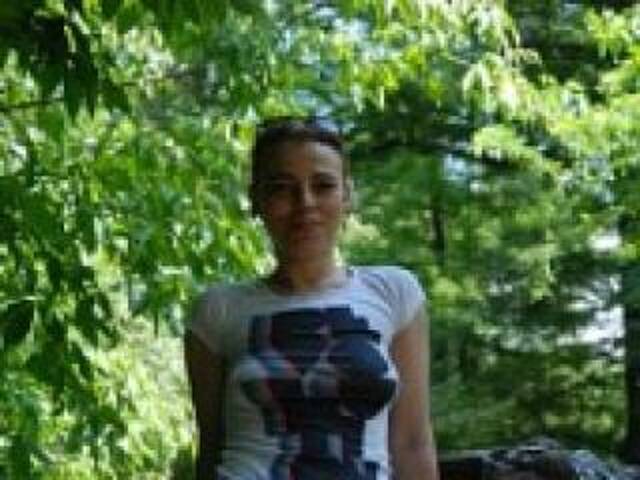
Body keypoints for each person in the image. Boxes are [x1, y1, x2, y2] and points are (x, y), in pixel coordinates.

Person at [184, 116, 439, 480]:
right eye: (281, 188)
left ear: (347, 196)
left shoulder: (395, 293)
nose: (305, 203)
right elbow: (212, 446)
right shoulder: (217, 311)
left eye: (323, 186)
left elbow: (412, 444)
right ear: (256, 200)